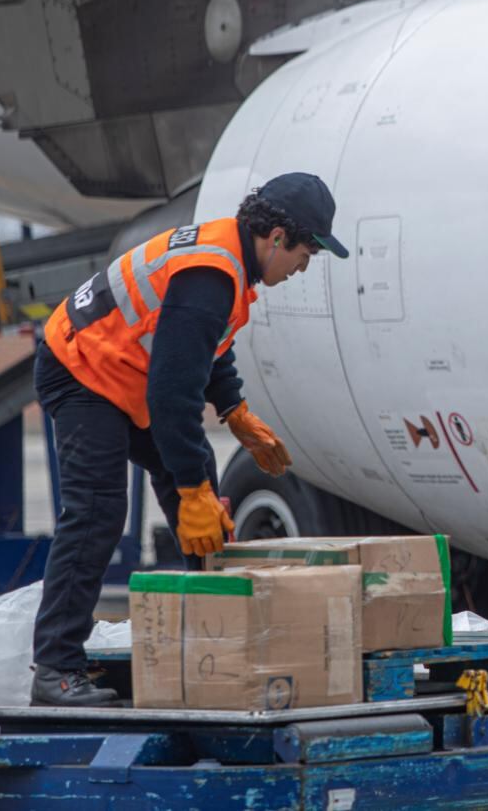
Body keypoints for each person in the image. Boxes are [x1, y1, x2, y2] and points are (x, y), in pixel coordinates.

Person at [29, 173, 350, 706]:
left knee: (196, 474)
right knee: (99, 511)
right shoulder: (212, 272)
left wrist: (235, 410)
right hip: (82, 369)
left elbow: (206, 346)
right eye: (305, 252)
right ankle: (55, 671)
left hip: (122, 372)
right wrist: (193, 492)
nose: (302, 267)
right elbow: (173, 397)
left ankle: (213, 642)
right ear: (276, 237)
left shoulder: (227, 260)